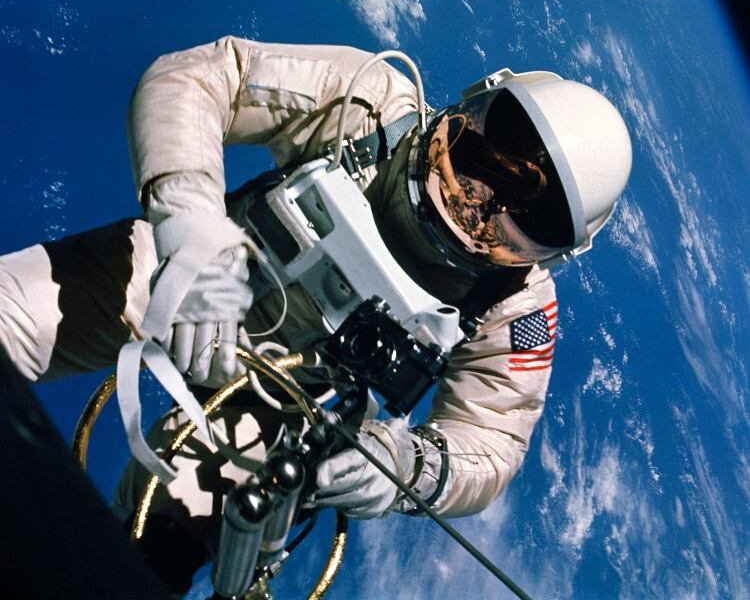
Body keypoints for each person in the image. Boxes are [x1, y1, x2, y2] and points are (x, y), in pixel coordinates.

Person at [0, 37, 632, 593]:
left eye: (521, 221)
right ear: (472, 108)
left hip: (277, 405)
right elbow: (205, 78)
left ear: (551, 255)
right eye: (481, 166)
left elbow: (491, 441)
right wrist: (190, 223)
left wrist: (402, 466)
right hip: (197, 275)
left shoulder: (513, 305)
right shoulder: (372, 108)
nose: (476, 207)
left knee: (149, 558)